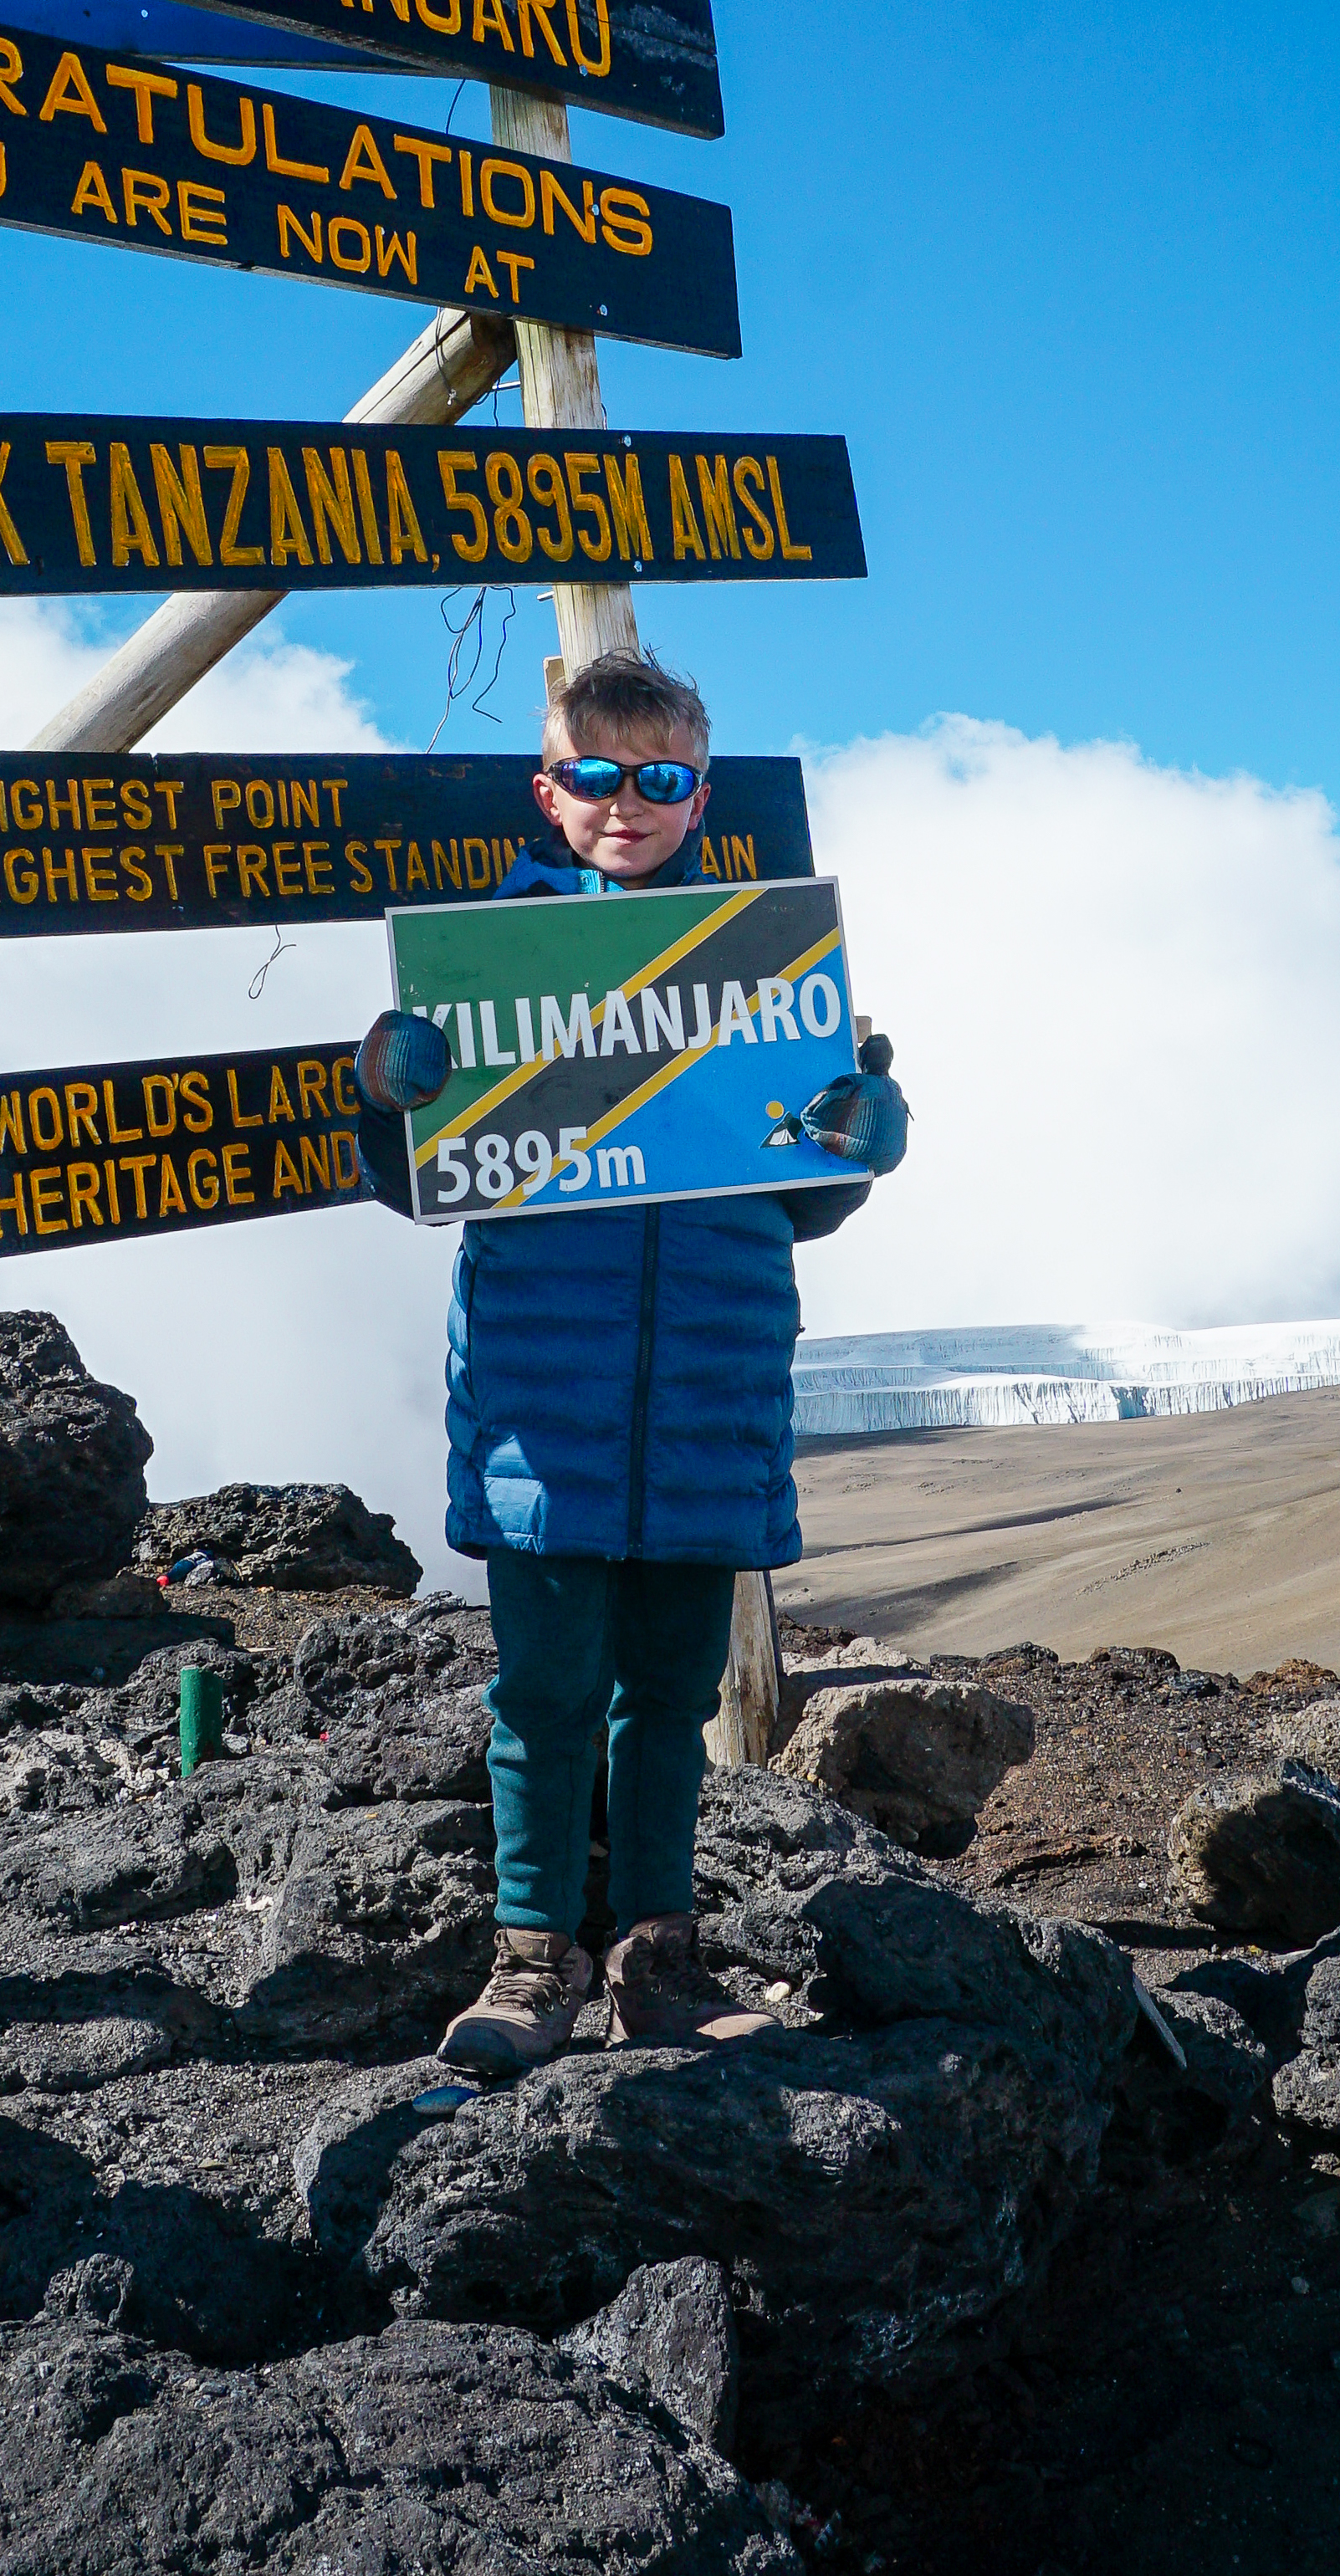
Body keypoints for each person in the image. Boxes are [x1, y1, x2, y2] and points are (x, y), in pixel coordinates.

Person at [351, 647, 908, 2075]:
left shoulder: (764, 962)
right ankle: (530, 1963)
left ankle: (658, 1964)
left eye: (657, 780)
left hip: (714, 1390)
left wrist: (863, 1133)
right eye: (595, 777)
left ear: (698, 794)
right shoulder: (492, 966)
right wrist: (393, 1099)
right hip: (547, 1403)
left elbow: (802, 1200)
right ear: (550, 790)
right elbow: (423, 1181)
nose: (625, 803)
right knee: (541, 1697)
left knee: (670, 1701)